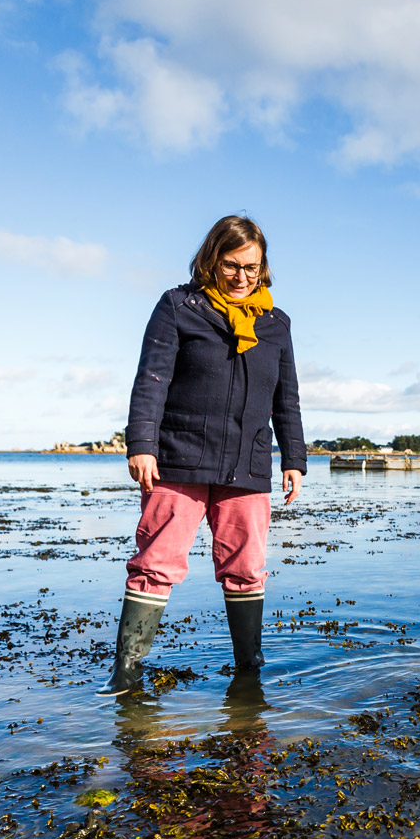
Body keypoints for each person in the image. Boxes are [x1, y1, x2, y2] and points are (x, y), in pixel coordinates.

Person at [102, 215, 306, 696]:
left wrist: (293, 457)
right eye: (232, 265)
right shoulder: (178, 307)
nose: (242, 277)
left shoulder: (275, 324)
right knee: (156, 563)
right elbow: (150, 381)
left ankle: (249, 670)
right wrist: (142, 445)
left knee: (246, 568)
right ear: (212, 260)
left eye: (252, 268)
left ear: (264, 268)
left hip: (247, 465)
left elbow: (287, 398)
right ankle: (126, 675)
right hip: (178, 459)